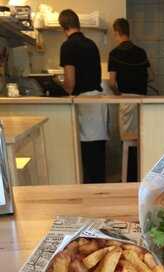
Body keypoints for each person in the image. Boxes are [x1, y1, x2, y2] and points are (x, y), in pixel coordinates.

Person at [58, 9, 108, 183]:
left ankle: (90, 194)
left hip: (85, 101)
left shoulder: (67, 46)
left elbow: (70, 82)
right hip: (98, 99)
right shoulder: (91, 44)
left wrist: (61, 87)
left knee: (87, 152)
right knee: (98, 150)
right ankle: (100, 191)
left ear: (63, 27)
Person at [108, 18, 154, 181]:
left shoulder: (114, 53)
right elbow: (152, 76)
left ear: (116, 32)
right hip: (143, 101)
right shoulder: (141, 52)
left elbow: (112, 82)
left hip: (126, 99)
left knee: (127, 140)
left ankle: (128, 178)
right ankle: (140, 176)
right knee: (141, 140)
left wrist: (118, 92)